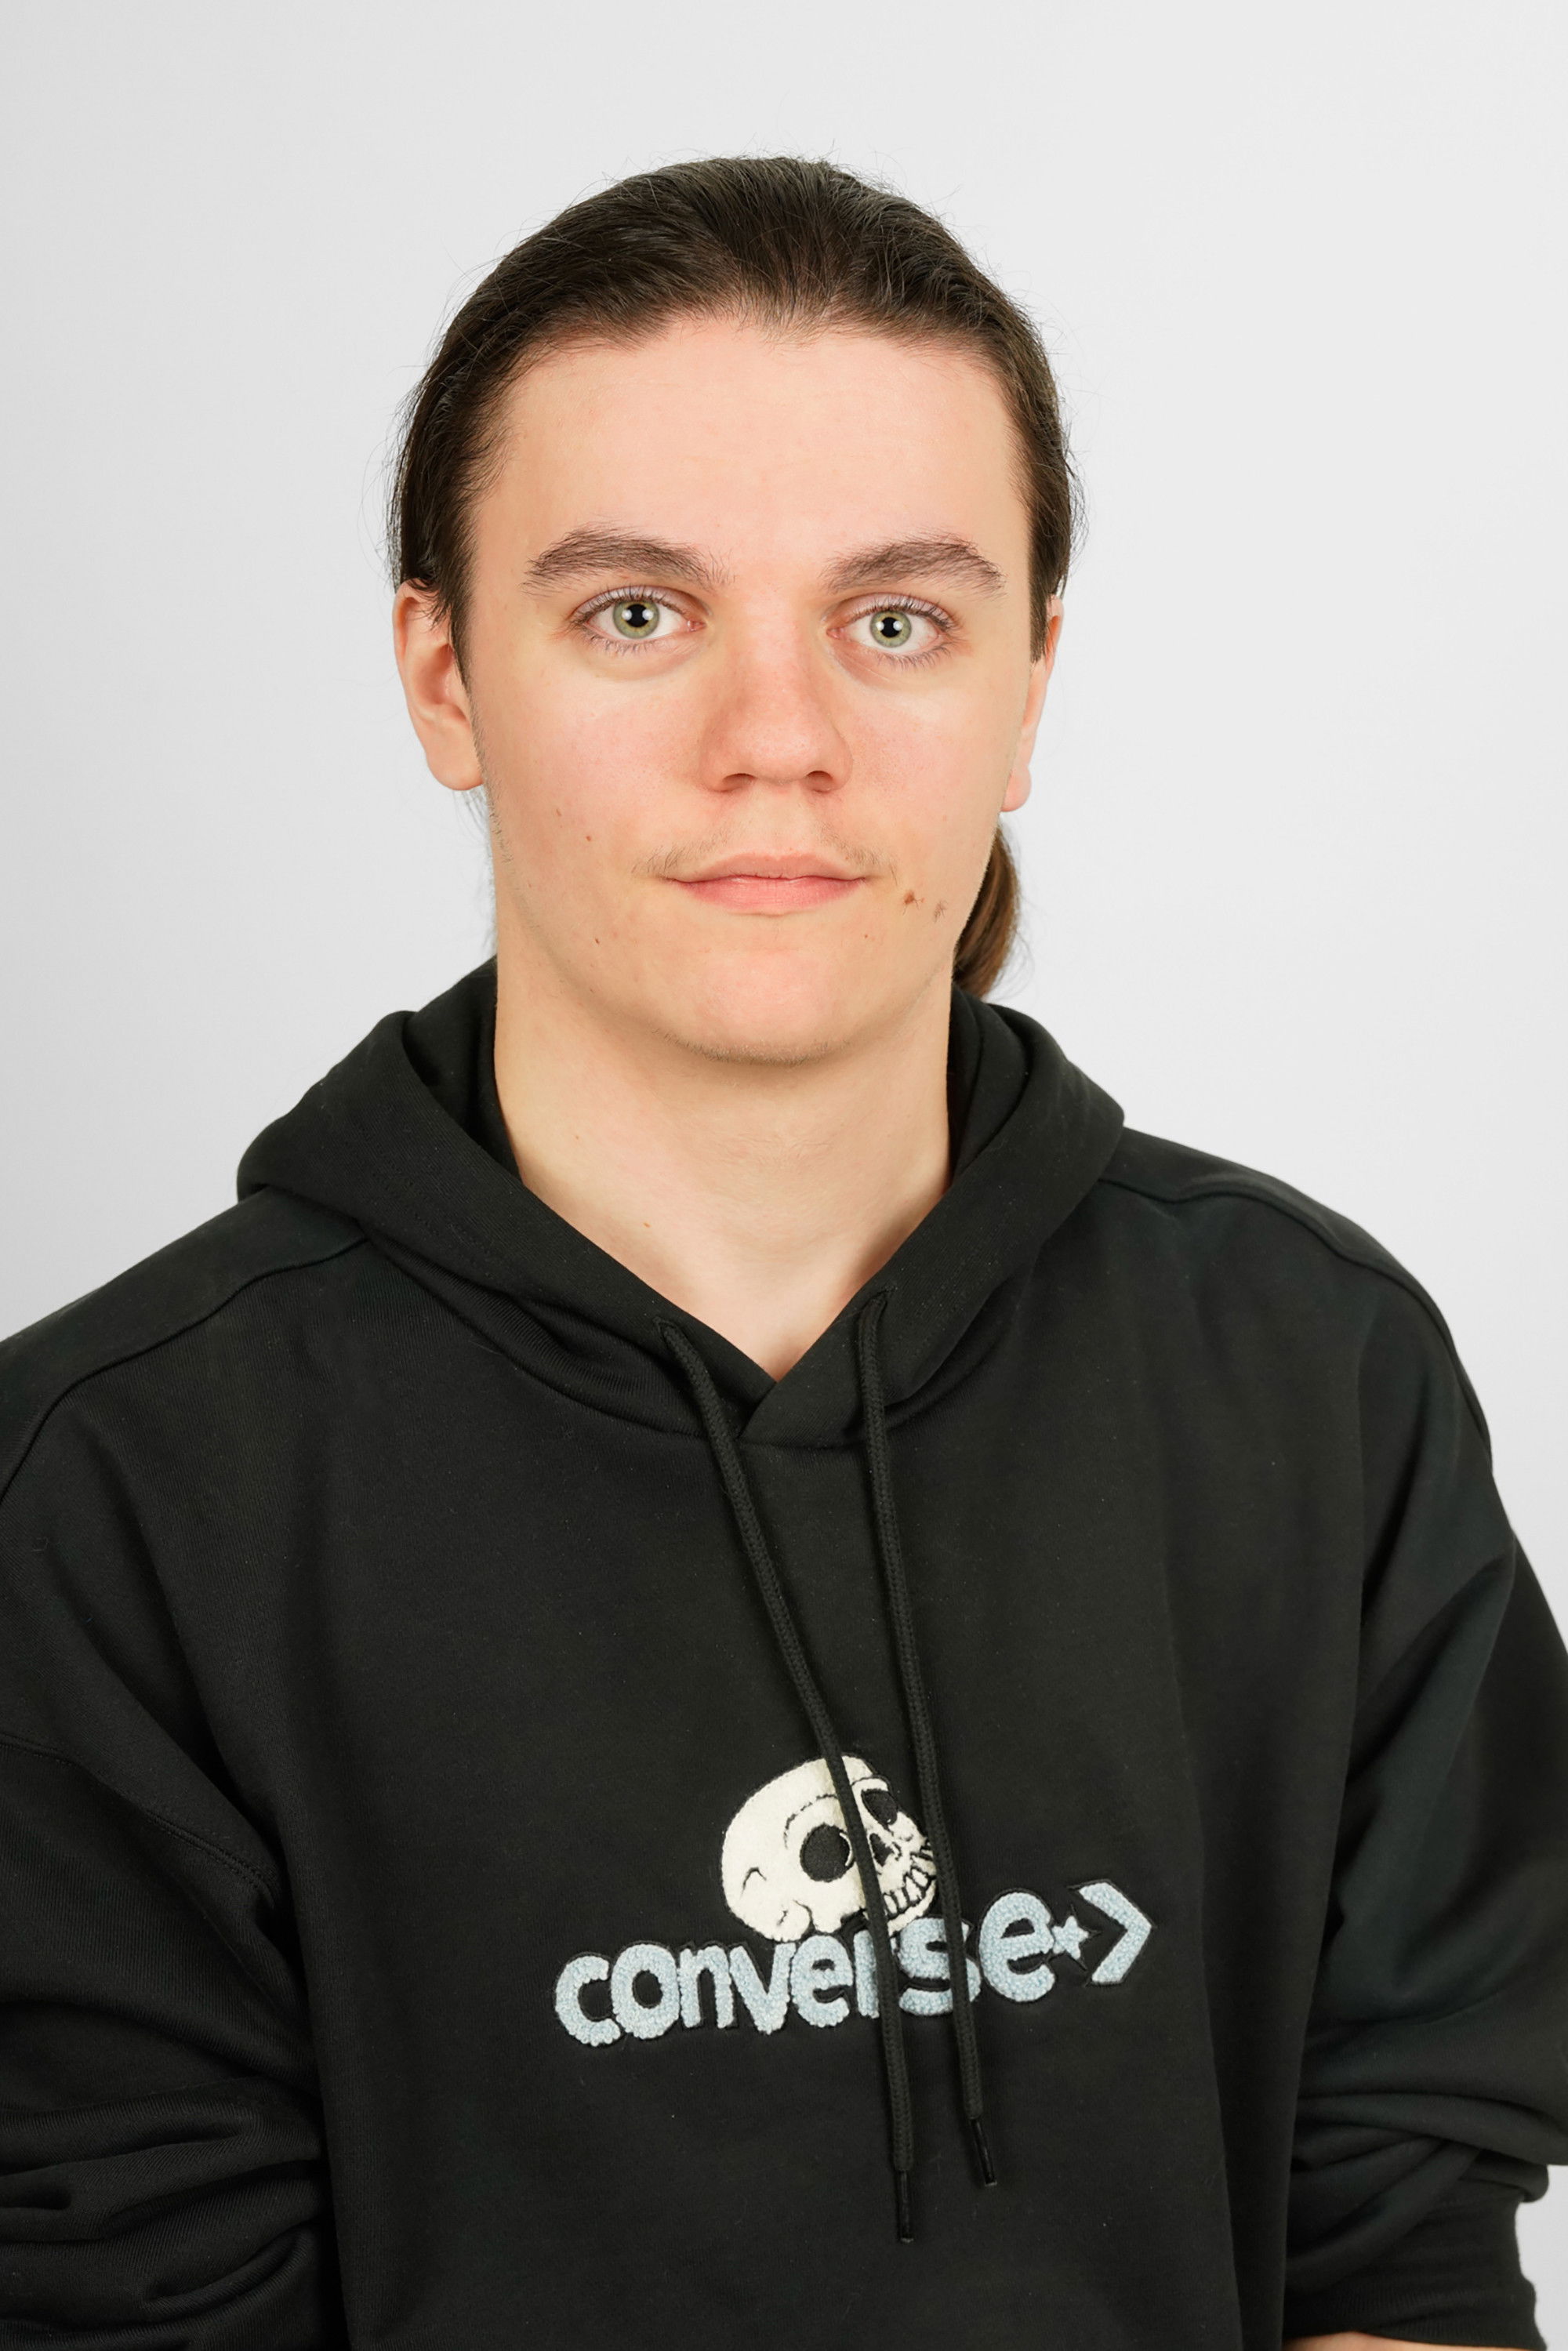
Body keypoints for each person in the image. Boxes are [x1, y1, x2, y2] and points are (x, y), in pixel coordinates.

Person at [2, 155, 1564, 2351]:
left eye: (896, 620)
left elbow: (1403, 2255)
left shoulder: (1315, 1378)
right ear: (444, 677)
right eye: (638, 614)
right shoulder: (109, 1492)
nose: (779, 743)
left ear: (1031, 683)